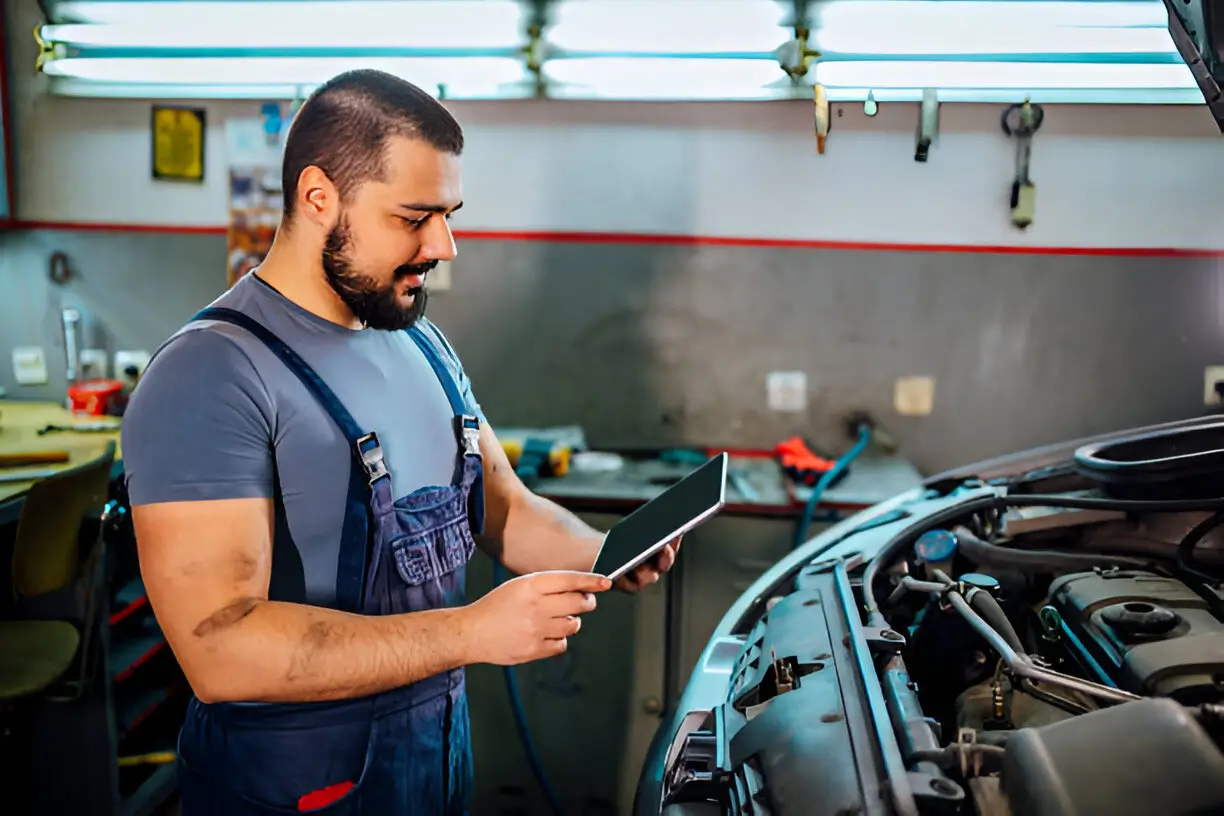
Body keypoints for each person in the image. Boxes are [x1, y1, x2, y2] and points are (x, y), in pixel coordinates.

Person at [120, 69, 679, 816]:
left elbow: (506, 511)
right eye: (415, 217)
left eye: (448, 214)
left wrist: (602, 551)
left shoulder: (424, 348)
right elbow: (221, 649)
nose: (443, 245)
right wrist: (472, 631)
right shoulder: (209, 374)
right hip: (294, 786)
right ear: (320, 198)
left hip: (432, 759)